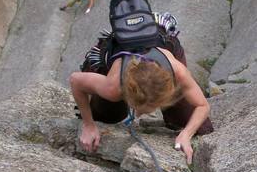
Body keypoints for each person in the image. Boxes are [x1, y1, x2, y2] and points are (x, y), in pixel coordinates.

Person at [70, 27, 213, 164]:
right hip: (120, 46)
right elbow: (75, 80)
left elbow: (202, 105)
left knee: (199, 126)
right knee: (108, 114)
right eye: (138, 108)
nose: (138, 115)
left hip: (161, 38)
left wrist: (186, 134)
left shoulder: (178, 72)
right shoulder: (114, 86)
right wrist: (88, 124)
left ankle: (172, 116)